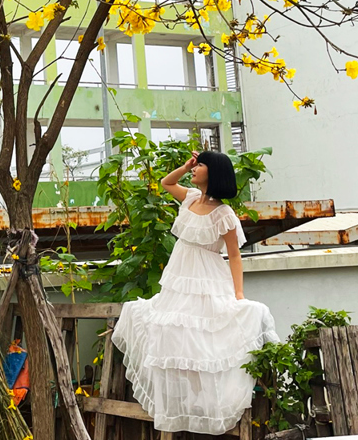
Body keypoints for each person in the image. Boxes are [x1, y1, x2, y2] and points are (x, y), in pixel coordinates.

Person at [111, 149, 279, 435]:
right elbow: (166, 183)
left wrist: (238, 293)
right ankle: (185, 401)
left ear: (213, 172)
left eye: (200, 165)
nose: (194, 168)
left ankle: (206, 402)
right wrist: (186, 163)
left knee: (204, 338)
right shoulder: (189, 197)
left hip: (207, 278)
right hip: (179, 279)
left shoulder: (224, 214)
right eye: (195, 164)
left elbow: (235, 256)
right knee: (172, 332)